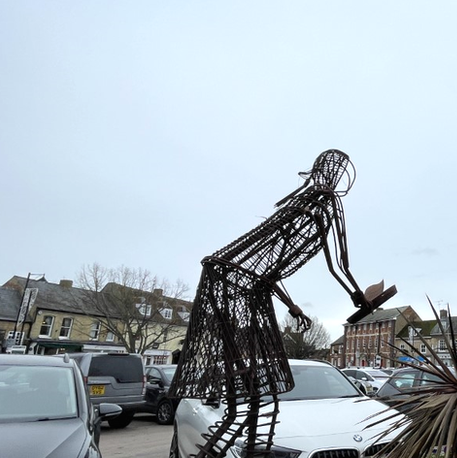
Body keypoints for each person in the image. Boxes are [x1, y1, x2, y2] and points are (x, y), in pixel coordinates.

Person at [169, 149, 395, 458]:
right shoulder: (324, 202)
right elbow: (339, 262)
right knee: (253, 400)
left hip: (239, 278)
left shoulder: (301, 202)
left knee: (258, 398)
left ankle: (218, 450)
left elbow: (269, 268)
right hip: (239, 280)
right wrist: (359, 297)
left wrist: (293, 306)